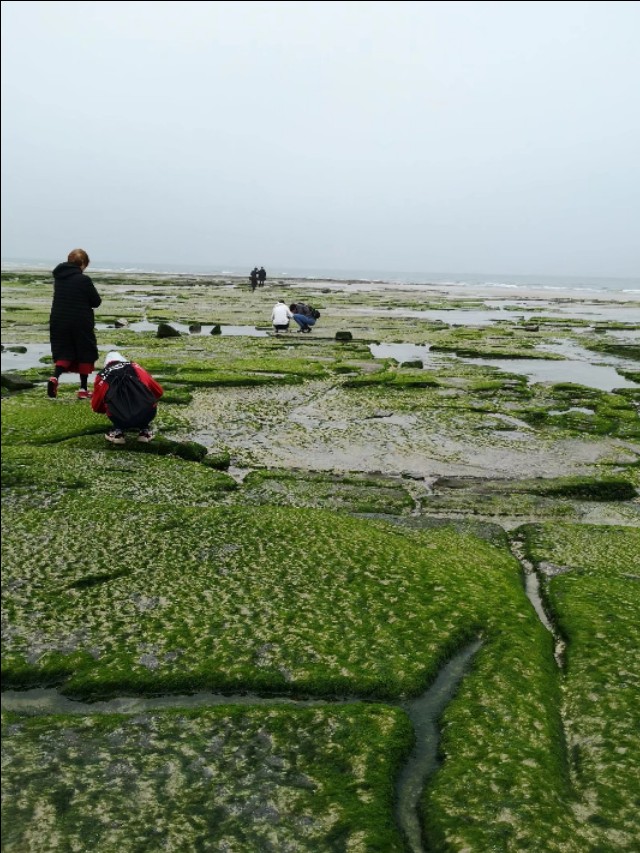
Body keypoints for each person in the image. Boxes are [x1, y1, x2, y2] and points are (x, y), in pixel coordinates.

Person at [47, 248, 102, 400]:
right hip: (80, 320)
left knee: (64, 351)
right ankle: (83, 389)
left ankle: (55, 377)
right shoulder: (84, 280)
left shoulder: (59, 278)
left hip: (59, 319)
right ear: (83, 263)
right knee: (85, 351)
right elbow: (96, 301)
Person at [91, 351, 164, 445]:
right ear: (122, 360)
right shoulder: (135, 367)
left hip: (120, 418)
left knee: (110, 405)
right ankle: (144, 431)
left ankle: (118, 433)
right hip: (147, 414)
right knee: (148, 405)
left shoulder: (102, 375)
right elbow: (159, 392)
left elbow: (96, 407)